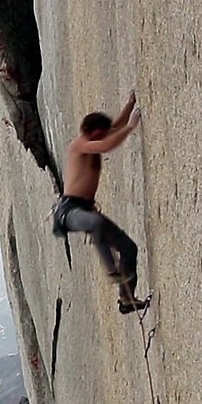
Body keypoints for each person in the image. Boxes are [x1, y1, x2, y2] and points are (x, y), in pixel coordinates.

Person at [52, 91, 147, 314]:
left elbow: (114, 127)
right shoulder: (80, 145)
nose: (103, 137)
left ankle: (126, 298)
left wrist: (129, 104)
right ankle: (111, 269)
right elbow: (107, 144)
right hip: (69, 211)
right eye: (100, 135)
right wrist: (131, 126)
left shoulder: (95, 138)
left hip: (84, 208)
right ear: (91, 133)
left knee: (129, 248)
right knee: (95, 223)